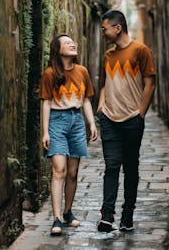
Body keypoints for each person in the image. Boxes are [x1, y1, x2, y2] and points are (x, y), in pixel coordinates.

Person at [96, 10, 156, 232]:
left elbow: (150, 84)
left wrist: (140, 113)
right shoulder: (108, 56)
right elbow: (103, 83)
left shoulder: (141, 51)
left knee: (131, 168)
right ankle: (107, 215)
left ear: (117, 28)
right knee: (111, 167)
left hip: (132, 120)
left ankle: (127, 214)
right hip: (109, 119)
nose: (103, 33)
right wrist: (101, 105)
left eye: (104, 29)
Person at [39, 34, 98, 236]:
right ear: (57, 50)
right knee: (59, 170)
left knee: (73, 172)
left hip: (77, 122)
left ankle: (68, 212)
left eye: (73, 42)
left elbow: (87, 100)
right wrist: (45, 131)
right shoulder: (49, 74)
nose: (72, 44)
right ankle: (56, 218)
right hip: (57, 121)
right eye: (66, 42)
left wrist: (91, 123)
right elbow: (46, 102)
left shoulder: (82, 71)